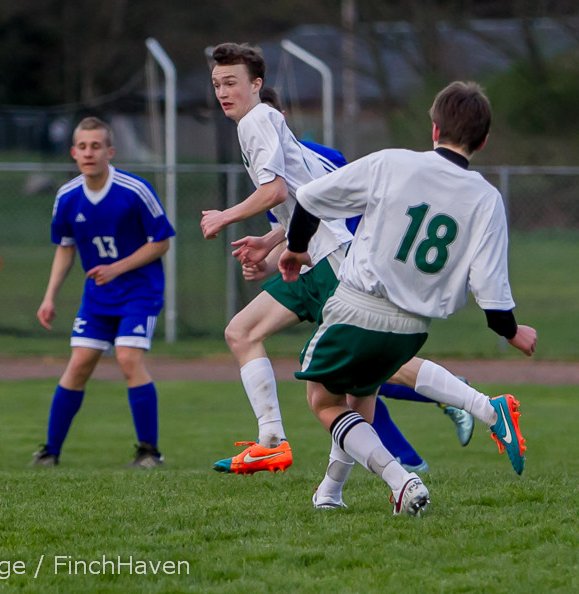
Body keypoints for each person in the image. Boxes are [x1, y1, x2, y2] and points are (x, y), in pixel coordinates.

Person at [204, 44, 474, 480]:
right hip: (319, 259)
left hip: (331, 260)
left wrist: (226, 215)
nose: (222, 91)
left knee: (368, 372)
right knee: (249, 335)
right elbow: (298, 200)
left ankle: (475, 407)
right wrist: (270, 240)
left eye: (231, 82)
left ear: (257, 86)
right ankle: (292, 454)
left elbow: (277, 193)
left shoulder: (256, 121)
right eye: (217, 84)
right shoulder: (268, 126)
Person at [279, 81, 537, 515]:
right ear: (484, 141)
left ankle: (402, 480)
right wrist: (512, 333)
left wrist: (294, 248)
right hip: (412, 331)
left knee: (323, 399)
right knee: (360, 396)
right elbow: (492, 297)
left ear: (434, 130)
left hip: (358, 308)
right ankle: (330, 492)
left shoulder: (393, 163)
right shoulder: (487, 200)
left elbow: (308, 198)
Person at [30, 116, 176, 469]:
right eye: (82, 147)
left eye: (96, 146)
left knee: (127, 358)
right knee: (79, 364)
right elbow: (65, 247)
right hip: (98, 297)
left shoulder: (134, 190)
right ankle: (50, 452)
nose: (89, 153)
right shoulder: (67, 197)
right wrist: (49, 296)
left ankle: (148, 452)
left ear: (110, 151)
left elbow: (162, 242)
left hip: (139, 291)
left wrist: (117, 267)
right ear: (73, 153)